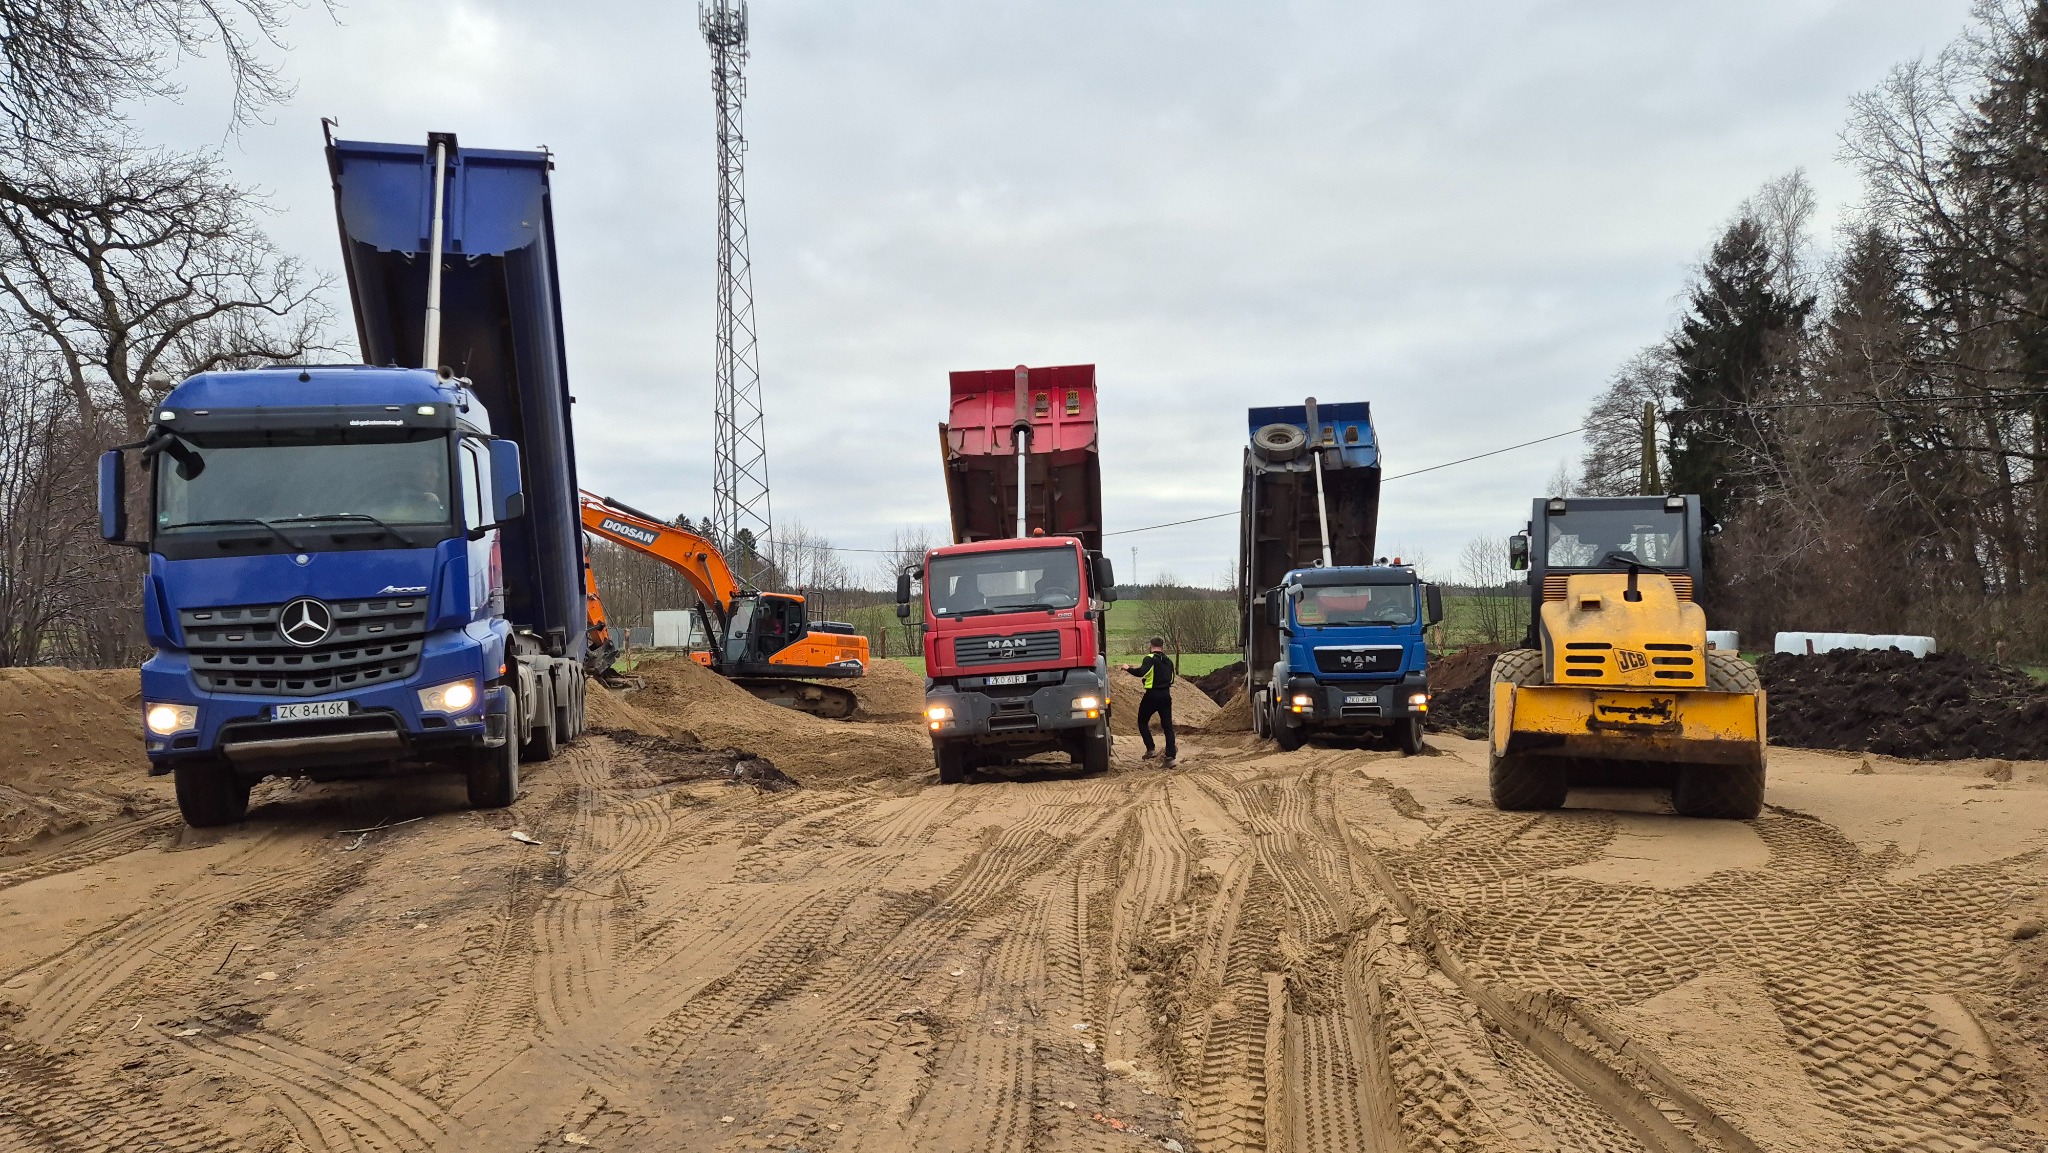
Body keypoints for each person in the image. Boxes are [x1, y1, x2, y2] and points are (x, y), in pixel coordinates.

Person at [1123, 636, 1178, 767]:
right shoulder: (1169, 661)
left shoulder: (1149, 658)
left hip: (1152, 695)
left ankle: (1150, 749)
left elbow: (1141, 672)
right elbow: (1171, 679)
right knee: (1167, 726)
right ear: (1162, 647)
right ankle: (1170, 756)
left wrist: (1128, 668)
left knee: (1142, 721)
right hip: (1166, 695)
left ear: (1151, 646)